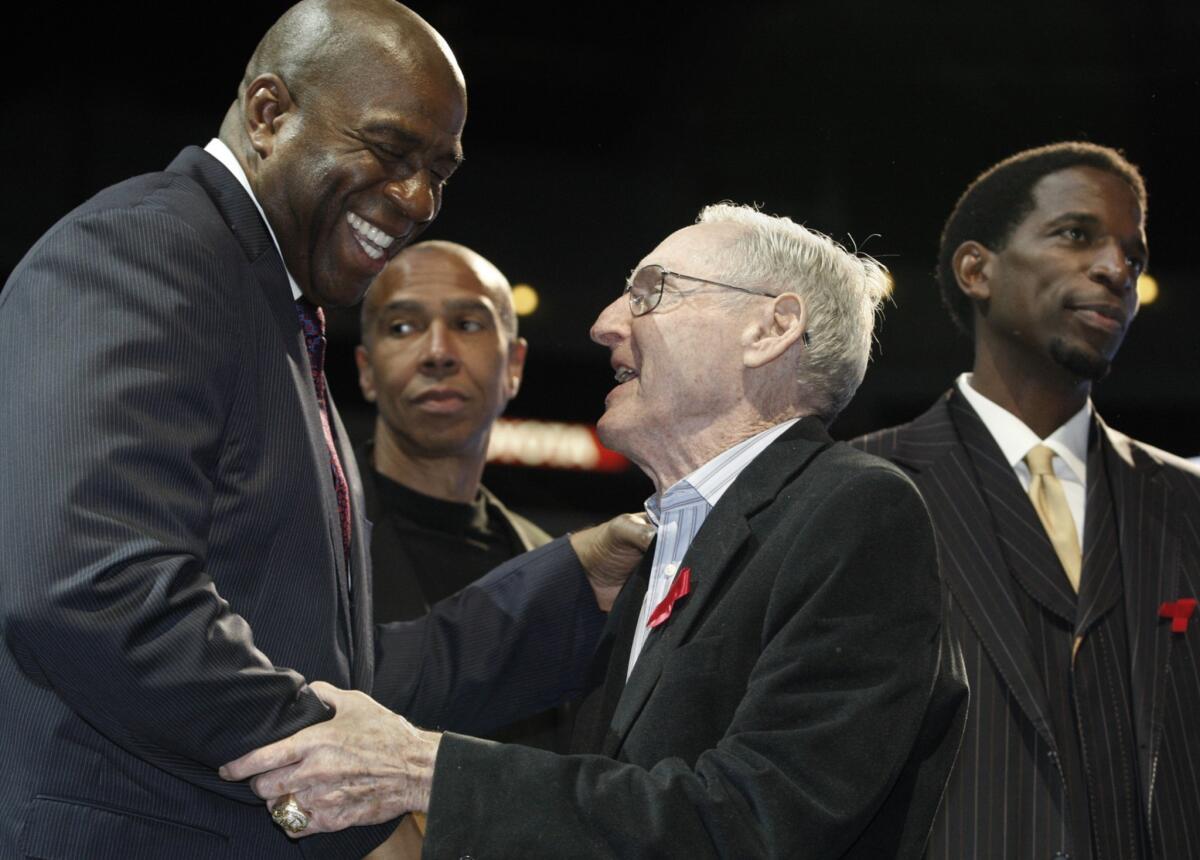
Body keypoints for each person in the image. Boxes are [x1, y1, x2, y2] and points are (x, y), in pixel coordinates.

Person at [0, 2, 646, 856]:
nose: (418, 198)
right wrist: (339, 777)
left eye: (440, 170)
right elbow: (92, 584)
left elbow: (341, 680)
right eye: (389, 150)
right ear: (270, 114)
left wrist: (572, 583)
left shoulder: (273, 309)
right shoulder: (147, 250)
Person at [224, 203, 970, 858]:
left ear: (770, 329)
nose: (606, 322)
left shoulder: (859, 511)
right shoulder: (654, 549)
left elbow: (753, 823)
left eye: (652, 291)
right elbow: (608, 802)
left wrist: (425, 769)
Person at [853, 142, 1200, 858]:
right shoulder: (856, 489)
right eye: (1077, 235)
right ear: (977, 270)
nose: (1116, 271)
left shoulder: (1190, 502)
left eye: (1132, 257)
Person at [355, 240, 550, 626]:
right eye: (404, 327)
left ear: (514, 365)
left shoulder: (552, 575)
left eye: (467, 324)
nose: (437, 352)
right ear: (366, 370)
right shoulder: (290, 533)